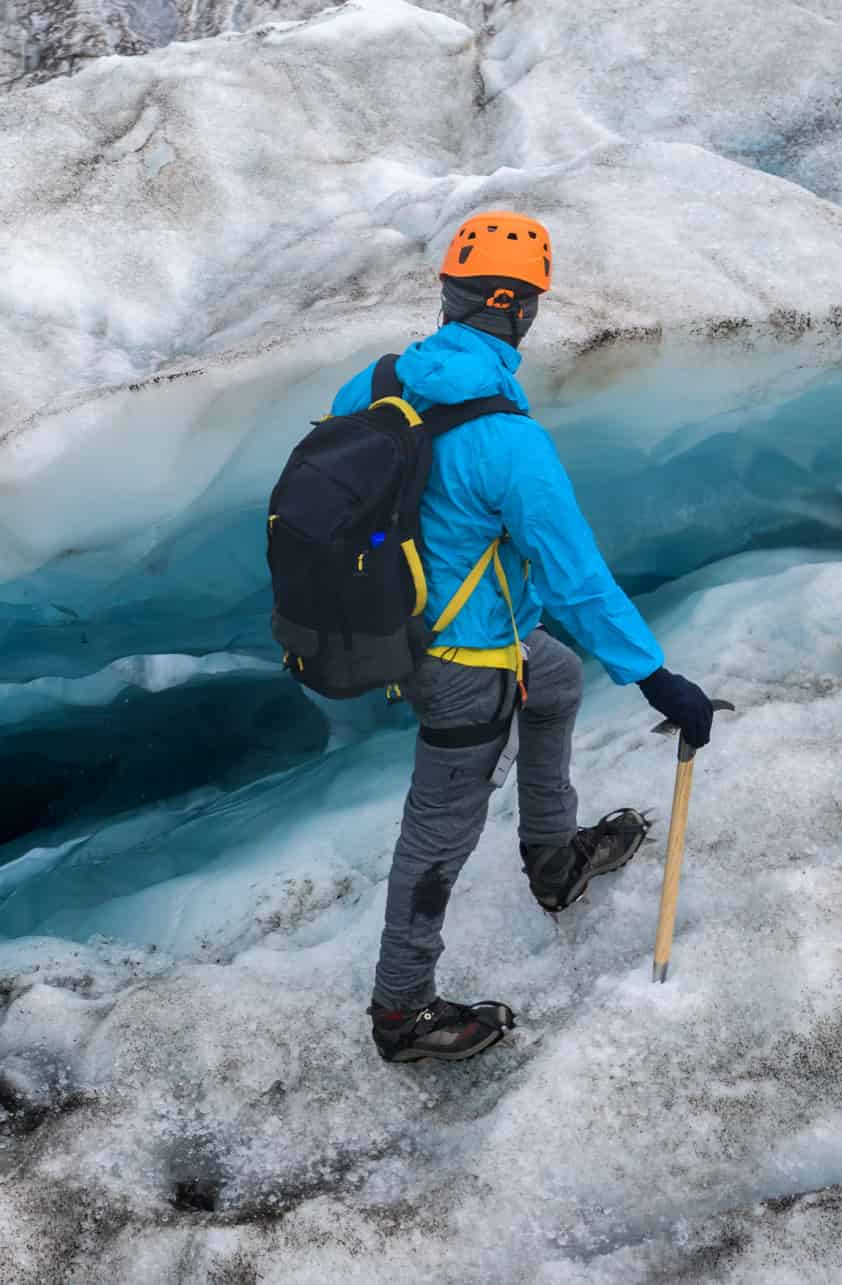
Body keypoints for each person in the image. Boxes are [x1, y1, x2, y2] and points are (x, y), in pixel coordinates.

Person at [329, 211, 717, 1064]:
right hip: (464, 665)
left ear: (451, 296)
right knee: (438, 834)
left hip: (398, 629)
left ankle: (553, 855)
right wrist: (657, 679)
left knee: (558, 675)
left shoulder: (376, 383)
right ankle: (402, 1010)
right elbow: (577, 580)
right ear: (515, 308)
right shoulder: (508, 443)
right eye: (532, 302)